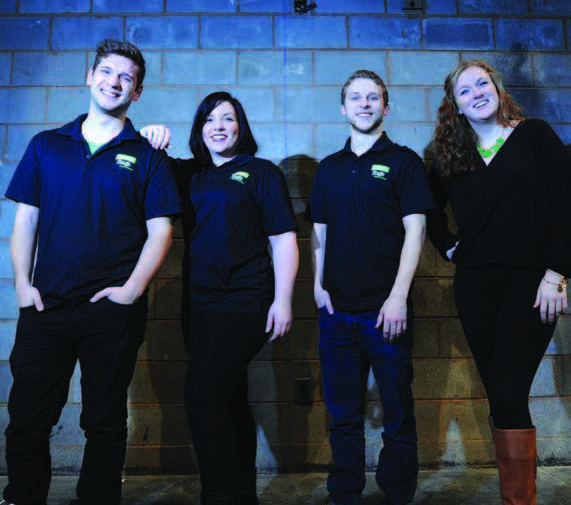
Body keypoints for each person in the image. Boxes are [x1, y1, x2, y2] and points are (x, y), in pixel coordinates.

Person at [3, 39, 180, 505]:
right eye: (107, 70)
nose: (114, 81)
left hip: (111, 312)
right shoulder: (47, 145)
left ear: (136, 92)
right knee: (27, 417)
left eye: (126, 77)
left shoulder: (147, 155)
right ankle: (22, 496)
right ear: (90, 75)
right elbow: (26, 220)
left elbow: (160, 231)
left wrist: (132, 290)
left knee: (103, 420)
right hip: (47, 306)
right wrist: (23, 285)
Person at [427, 59, 571, 504]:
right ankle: (518, 498)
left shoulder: (535, 136)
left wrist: (557, 274)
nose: (476, 94)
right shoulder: (451, 156)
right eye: (464, 91)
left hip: (531, 286)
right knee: (501, 397)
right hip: (475, 288)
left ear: (498, 87)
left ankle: (519, 500)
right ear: (456, 105)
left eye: (481, 84)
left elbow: (566, 204)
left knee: (509, 389)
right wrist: (447, 244)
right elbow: (427, 212)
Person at [159, 91, 298, 505]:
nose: (219, 126)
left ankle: (218, 495)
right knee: (229, 395)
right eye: (210, 120)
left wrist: (284, 299)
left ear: (241, 127)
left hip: (247, 299)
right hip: (199, 303)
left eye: (228, 118)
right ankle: (241, 494)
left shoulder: (261, 173)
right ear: (199, 129)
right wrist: (150, 135)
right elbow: (143, 158)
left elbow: (284, 239)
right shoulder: (189, 174)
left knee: (202, 395)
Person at [305, 70, 434, 505]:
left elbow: (415, 232)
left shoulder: (404, 162)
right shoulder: (329, 169)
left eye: (373, 97)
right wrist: (318, 286)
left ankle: (397, 495)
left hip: (386, 312)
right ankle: (346, 494)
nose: (364, 104)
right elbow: (318, 230)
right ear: (343, 107)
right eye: (355, 98)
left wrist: (398, 296)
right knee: (343, 415)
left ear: (386, 106)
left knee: (397, 414)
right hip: (336, 315)